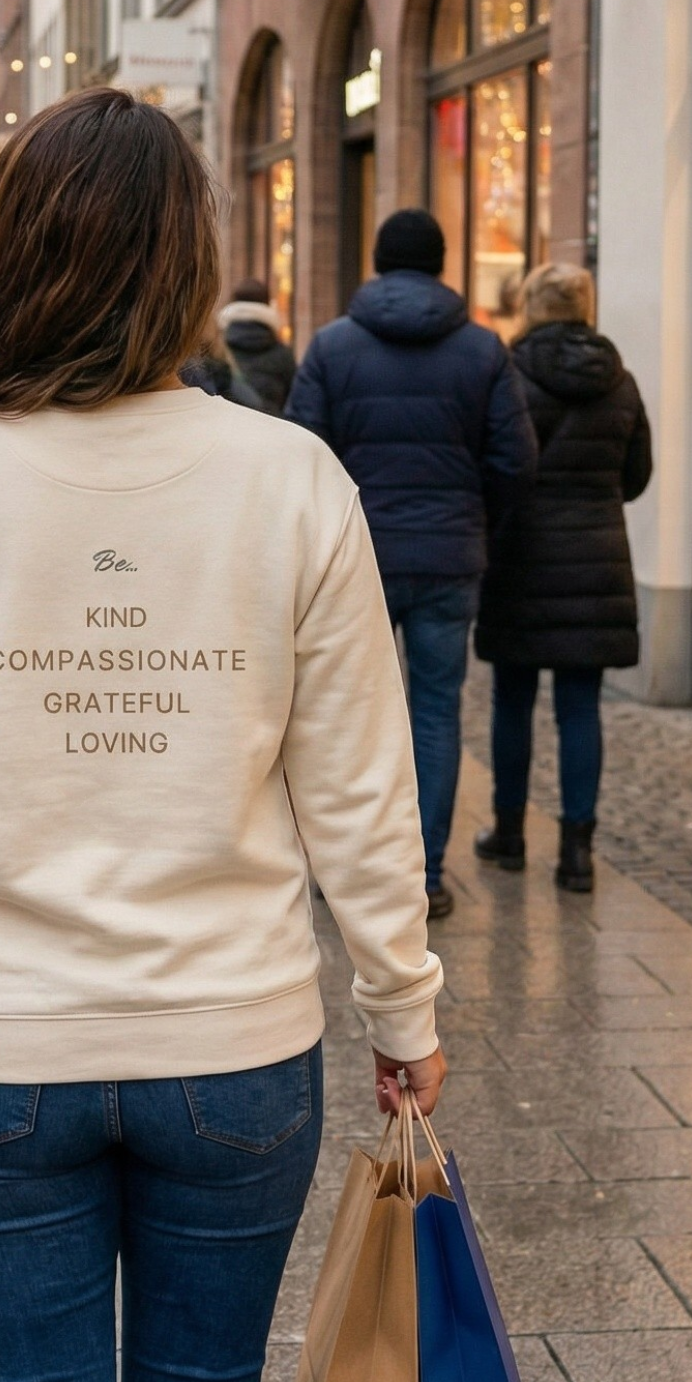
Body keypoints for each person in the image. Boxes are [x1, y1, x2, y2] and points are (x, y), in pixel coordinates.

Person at [0, 89, 444, 1382]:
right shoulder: (289, 477)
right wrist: (400, 1004)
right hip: (233, 1035)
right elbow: (359, 787)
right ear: (188, 263)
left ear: (4, 255)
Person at [286, 208, 536, 917]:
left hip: (355, 557)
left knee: (345, 712)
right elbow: (515, 460)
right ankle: (423, 875)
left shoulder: (333, 346)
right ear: (441, 263)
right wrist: (476, 524)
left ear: (376, 260)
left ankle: (346, 871)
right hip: (448, 557)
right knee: (435, 710)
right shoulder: (483, 350)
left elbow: (300, 453)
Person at [474, 263, 653, 893]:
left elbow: (495, 463)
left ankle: (510, 833)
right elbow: (636, 476)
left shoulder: (509, 374)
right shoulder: (620, 380)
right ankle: (577, 853)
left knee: (512, 701)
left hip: (521, 557)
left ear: (532, 306)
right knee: (580, 708)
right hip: (596, 561)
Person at [218, 275, 296, 415]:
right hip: (271, 425)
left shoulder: (218, 352)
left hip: (226, 425)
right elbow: (293, 401)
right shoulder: (282, 354)